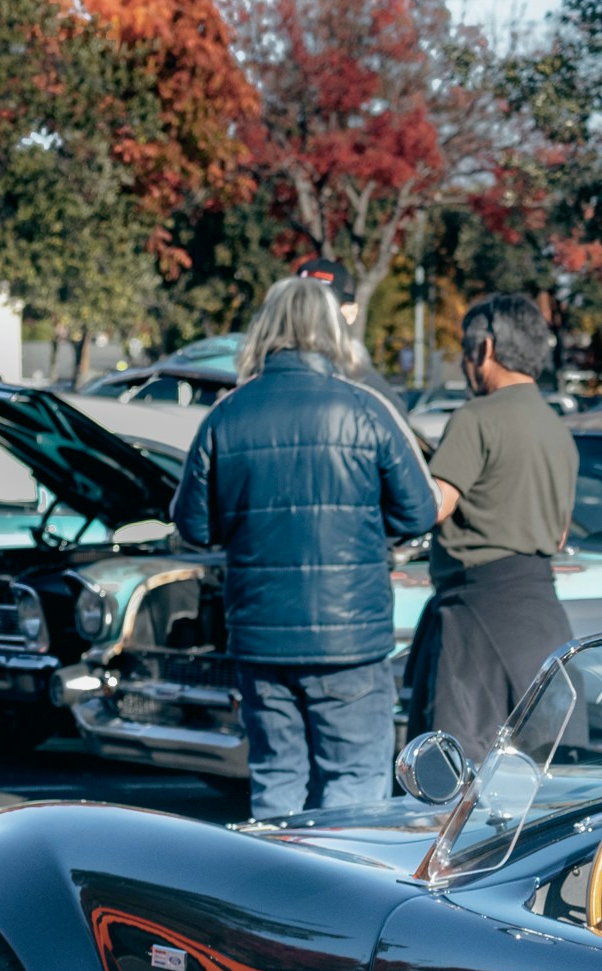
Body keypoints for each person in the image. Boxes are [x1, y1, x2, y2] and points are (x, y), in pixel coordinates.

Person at [173, 275, 440, 819]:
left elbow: (192, 528)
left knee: (276, 781)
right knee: (355, 786)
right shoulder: (366, 408)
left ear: (265, 331)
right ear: (332, 331)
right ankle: (338, 900)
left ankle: (274, 897)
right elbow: (419, 511)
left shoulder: (227, 414)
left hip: (261, 639)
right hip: (351, 639)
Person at [405, 293, 579, 760]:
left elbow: (434, 504)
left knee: (455, 786)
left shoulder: (476, 417)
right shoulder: (558, 427)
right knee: (541, 788)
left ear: (485, 349)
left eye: (465, 348)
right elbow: (560, 535)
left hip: (475, 618)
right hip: (544, 620)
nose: (463, 362)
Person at [291, 256, 406, 406]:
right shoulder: (373, 394)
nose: (308, 316)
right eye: (300, 305)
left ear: (351, 312)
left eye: (324, 308)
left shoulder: (371, 393)